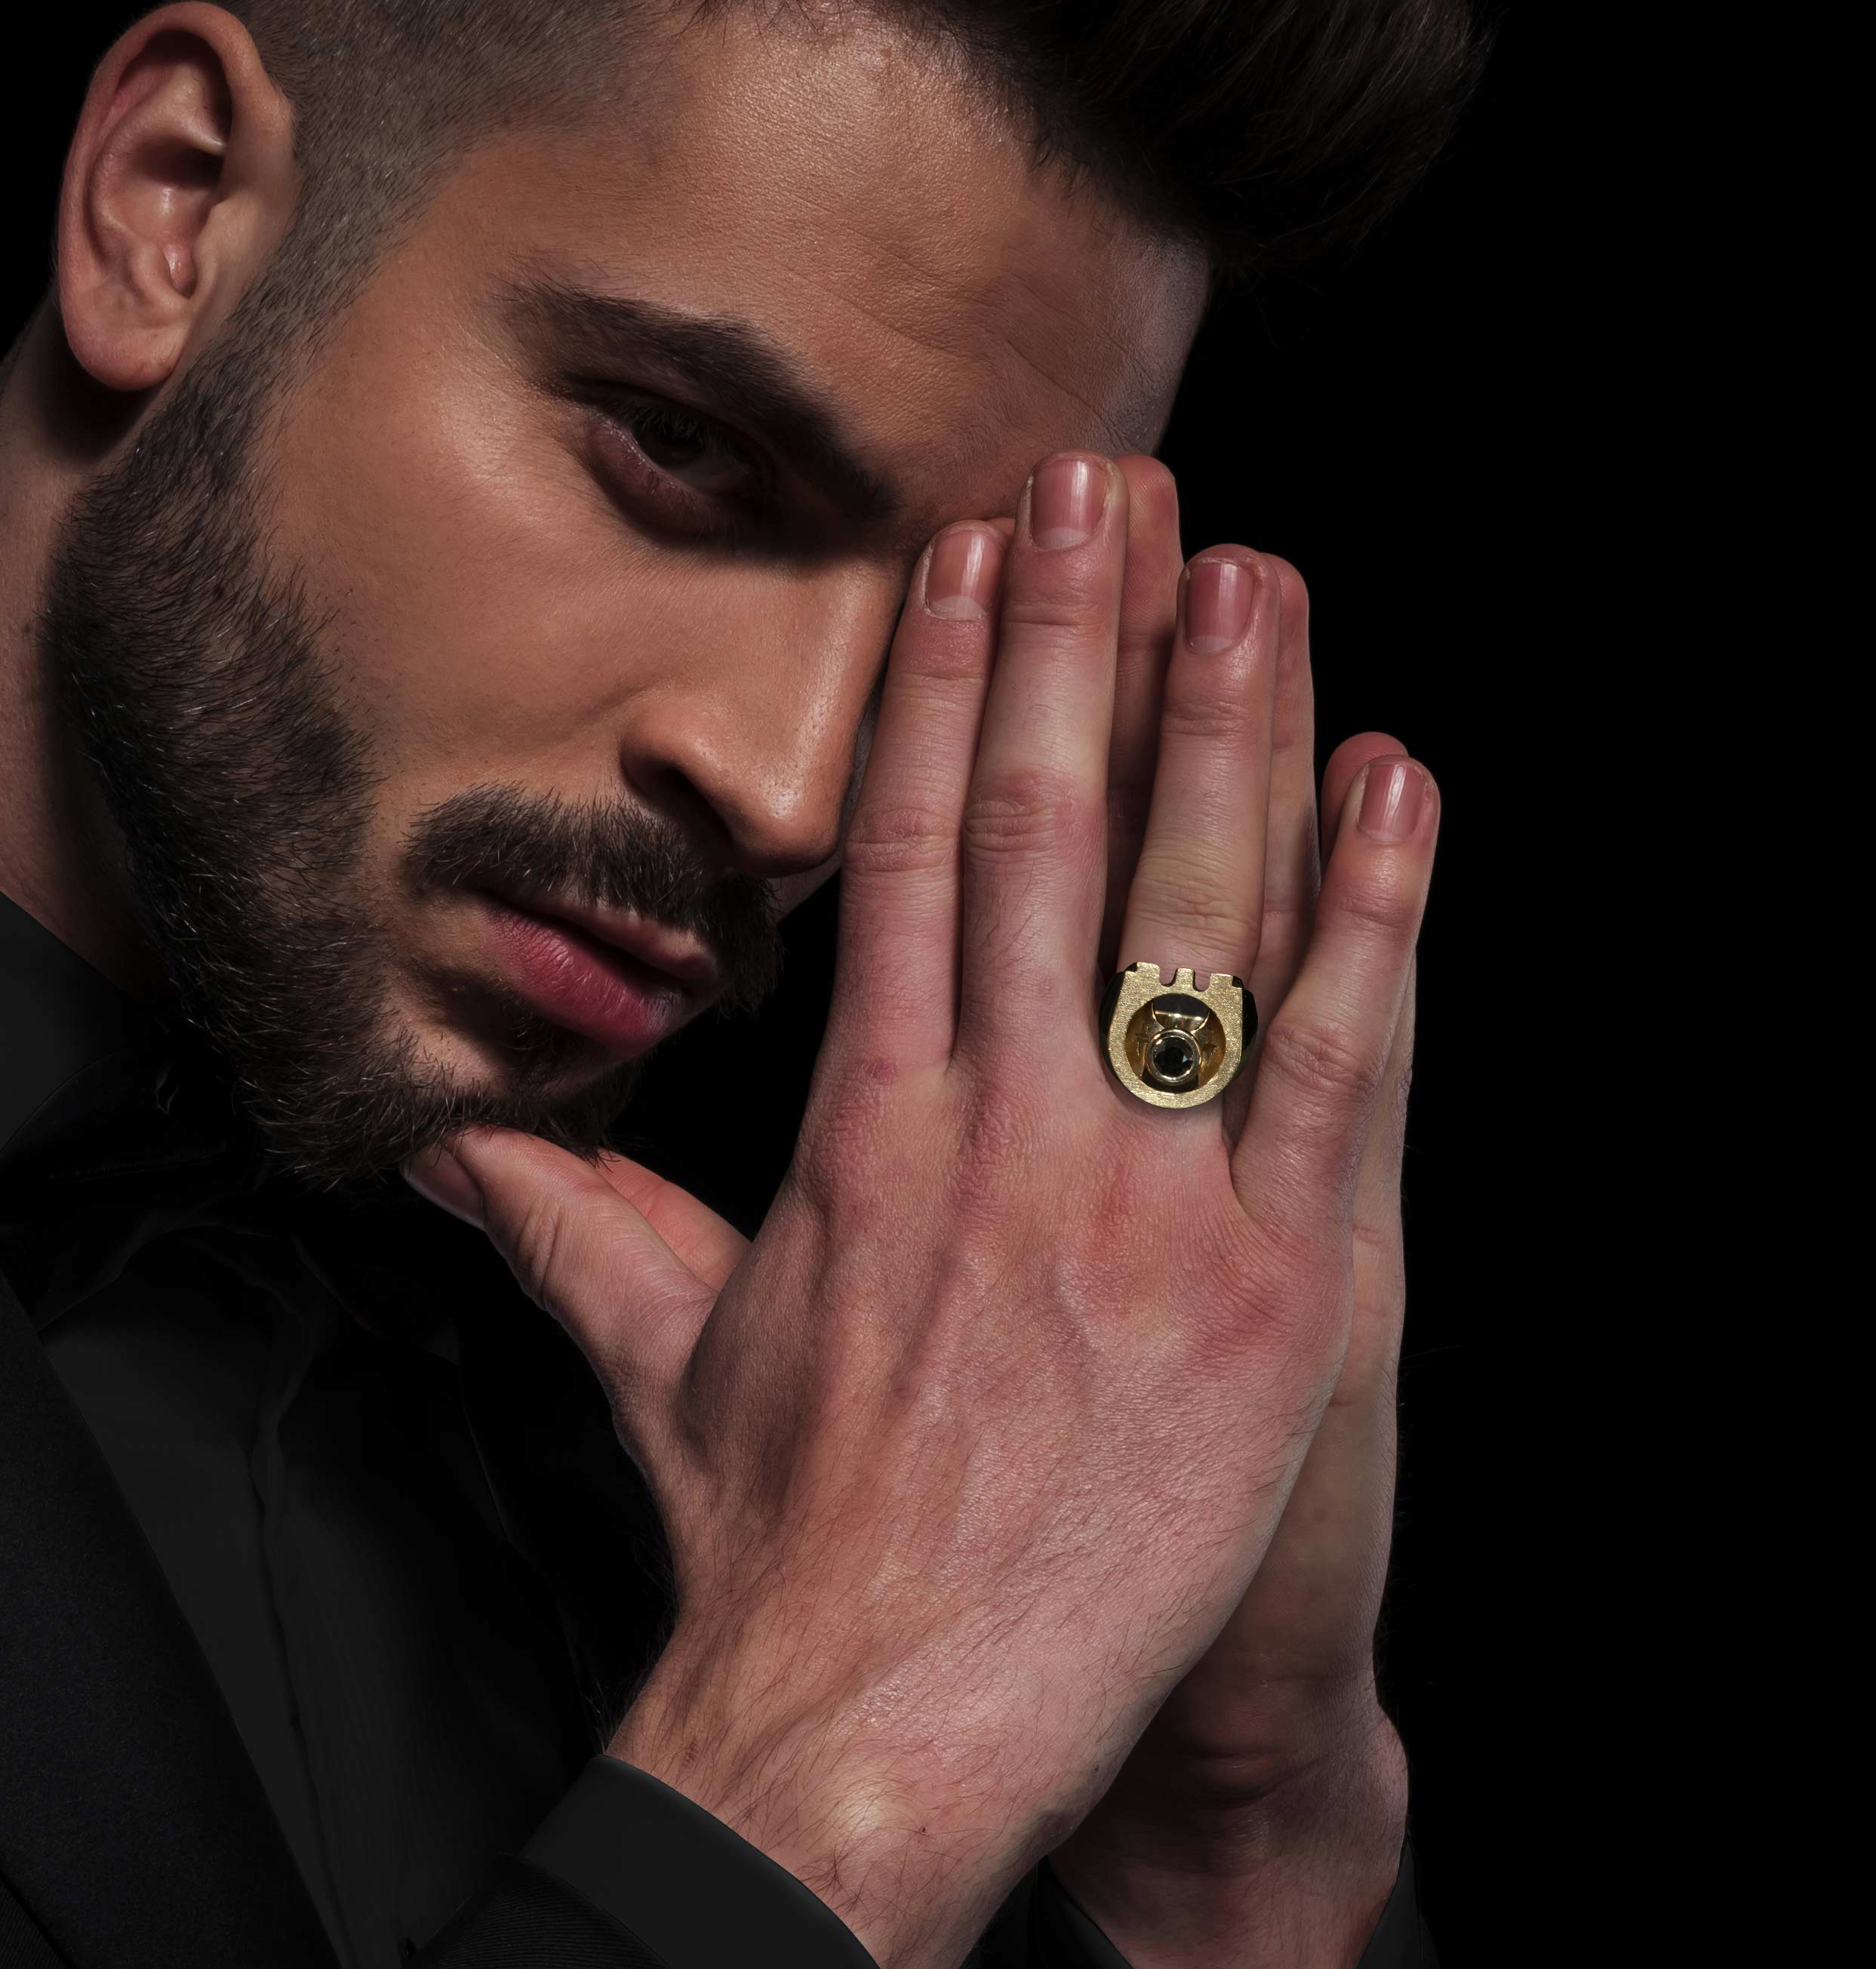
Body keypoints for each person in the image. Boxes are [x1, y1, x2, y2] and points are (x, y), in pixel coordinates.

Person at [0, 2, 1485, 1964]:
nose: (791, 793)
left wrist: (1228, 1829)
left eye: (952, 627)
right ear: (168, 206)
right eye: (681, 449)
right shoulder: (848, 1620)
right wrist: (825, 1774)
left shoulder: (740, 1453)